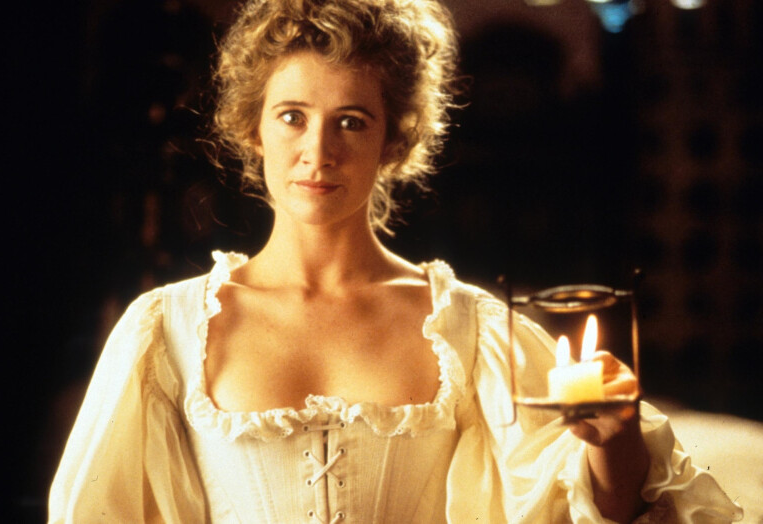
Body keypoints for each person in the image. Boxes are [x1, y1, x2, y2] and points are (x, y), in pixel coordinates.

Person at [49, 0, 743, 522]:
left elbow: (587, 511)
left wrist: (614, 441)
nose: (318, 152)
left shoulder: (472, 333)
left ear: (394, 141)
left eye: (351, 121)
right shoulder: (165, 330)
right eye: (292, 116)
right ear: (253, 129)